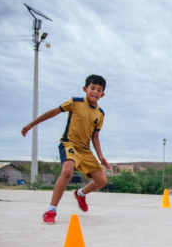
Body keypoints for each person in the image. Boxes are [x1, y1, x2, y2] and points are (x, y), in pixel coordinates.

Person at [21, 75, 111, 224]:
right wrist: (31, 125)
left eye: (99, 90)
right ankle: (51, 210)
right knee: (68, 172)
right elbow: (52, 113)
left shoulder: (100, 114)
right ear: (85, 89)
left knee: (102, 181)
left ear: (102, 94)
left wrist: (101, 156)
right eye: (92, 88)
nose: (95, 92)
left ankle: (80, 194)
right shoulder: (74, 102)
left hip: (85, 149)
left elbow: (95, 137)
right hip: (69, 144)